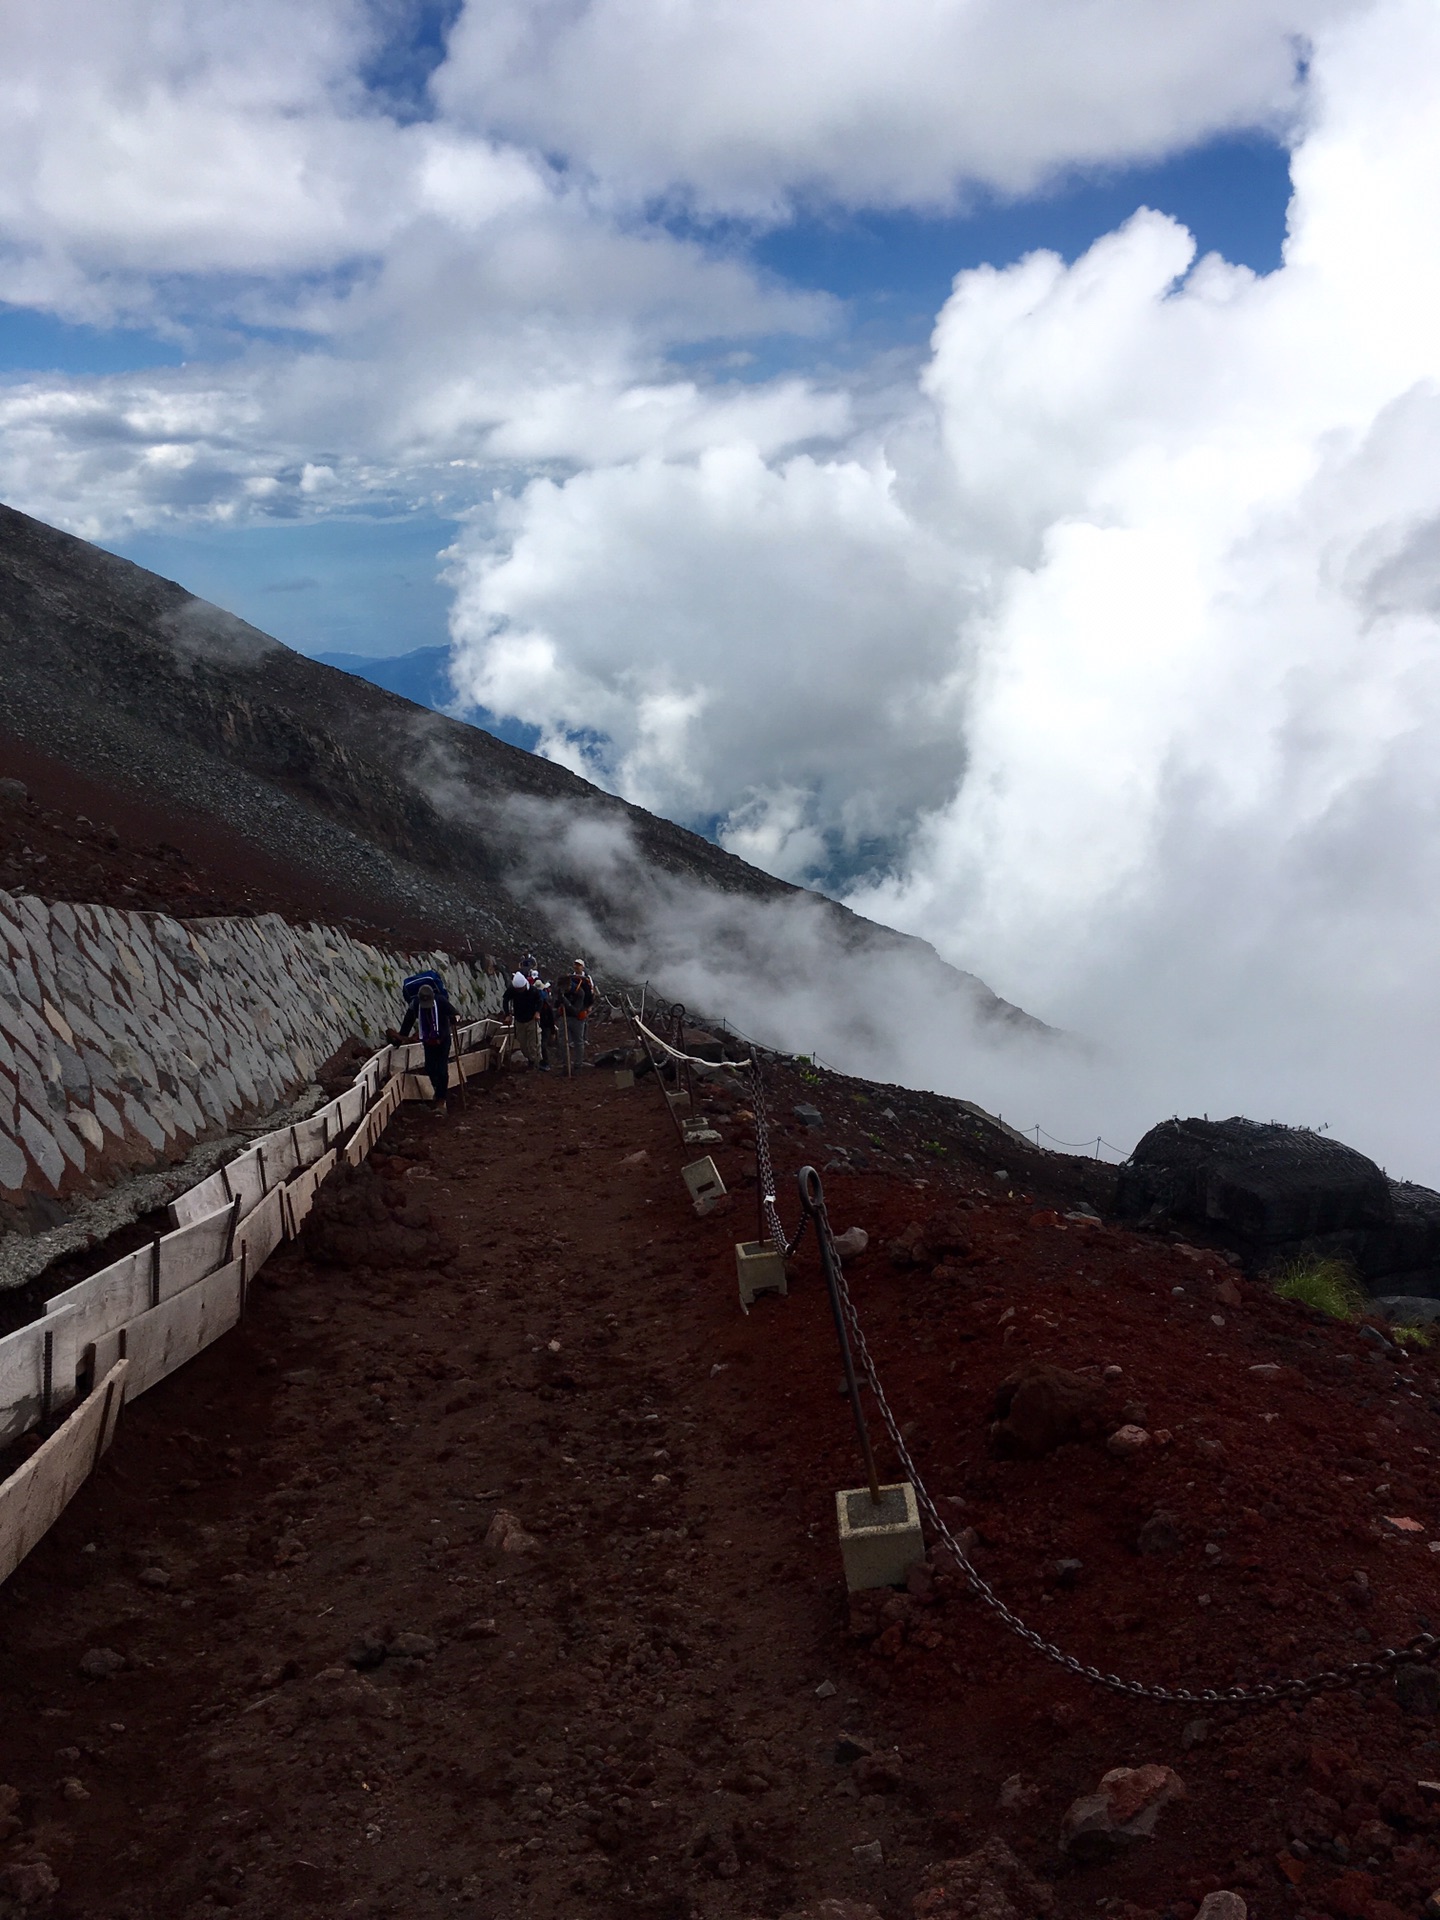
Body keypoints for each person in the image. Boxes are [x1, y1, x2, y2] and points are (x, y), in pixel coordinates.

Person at [396, 969, 459, 1108]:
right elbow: (408, 1021)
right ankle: (438, 1089)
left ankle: (441, 1099)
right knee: (430, 1068)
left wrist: (454, 1019)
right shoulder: (416, 1005)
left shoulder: (441, 1001)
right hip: (428, 1041)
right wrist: (401, 1036)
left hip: (442, 1039)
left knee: (442, 1068)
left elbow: (456, 1013)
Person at [501, 965, 543, 1069]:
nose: (519, 991)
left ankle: (534, 1062)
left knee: (533, 1043)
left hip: (531, 1019)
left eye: (521, 989)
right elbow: (505, 1000)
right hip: (519, 1020)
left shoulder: (532, 991)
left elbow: (540, 1001)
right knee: (523, 1044)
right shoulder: (513, 990)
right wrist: (507, 1014)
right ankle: (529, 1058)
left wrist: (537, 1012)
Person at [560, 957, 595, 1071]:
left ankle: (576, 1064)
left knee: (576, 1040)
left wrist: (588, 1007)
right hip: (573, 1013)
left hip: (577, 1012)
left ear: (582, 966)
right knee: (574, 1040)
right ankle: (571, 1064)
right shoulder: (573, 978)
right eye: (575, 964)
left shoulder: (585, 980)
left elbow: (590, 994)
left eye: (578, 965)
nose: (576, 966)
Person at [535, 972, 557, 1072]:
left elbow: (551, 1018)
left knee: (542, 1044)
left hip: (544, 1026)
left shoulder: (545, 1005)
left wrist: (552, 1031)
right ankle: (540, 1061)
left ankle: (545, 1062)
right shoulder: (543, 1002)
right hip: (542, 1025)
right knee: (539, 1044)